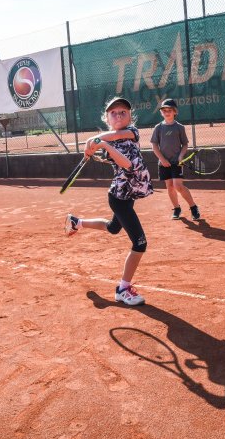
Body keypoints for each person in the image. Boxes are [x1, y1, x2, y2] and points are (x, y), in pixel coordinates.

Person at [64, 96, 153, 306]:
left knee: (114, 228)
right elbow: (128, 164)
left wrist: (94, 140)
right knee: (140, 244)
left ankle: (77, 222)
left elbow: (114, 136)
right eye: (114, 113)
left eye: (123, 112)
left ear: (130, 116)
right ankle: (123, 289)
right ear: (107, 118)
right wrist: (101, 143)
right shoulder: (109, 148)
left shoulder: (133, 133)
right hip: (119, 199)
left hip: (128, 195)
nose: (119, 115)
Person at [150, 98, 200, 221]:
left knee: (178, 186)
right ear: (162, 112)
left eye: (169, 110)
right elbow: (154, 145)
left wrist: (181, 156)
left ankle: (193, 207)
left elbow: (185, 144)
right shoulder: (158, 128)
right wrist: (162, 159)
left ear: (175, 112)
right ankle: (176, 208)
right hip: (163, 163)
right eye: (164, 110)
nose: (167, 112)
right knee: (170, 186)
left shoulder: (179, 128)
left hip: (176, 162)